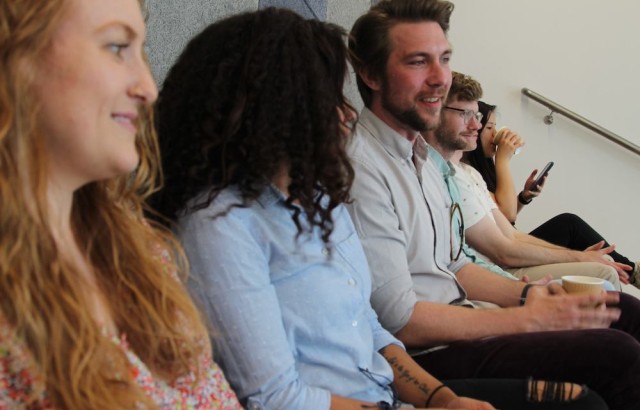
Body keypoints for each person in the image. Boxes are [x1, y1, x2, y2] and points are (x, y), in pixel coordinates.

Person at [150, 6, 608, 410]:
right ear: (266, 110)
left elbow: (369, 325)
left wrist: (442, 399)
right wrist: (521, 318)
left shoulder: (320, 199)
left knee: (587, 396)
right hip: (371, 395)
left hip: (387, 389)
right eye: (323, 98)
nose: (345, 114)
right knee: (605, 370)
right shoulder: (221, 226)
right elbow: (278, 398)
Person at [346, 0, 640, 409]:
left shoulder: (421, 159)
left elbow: (455, 263)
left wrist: (526, 298)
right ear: (370, 74)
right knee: (618, 355)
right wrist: (523, 319)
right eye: (418, 62)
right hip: (424, 358)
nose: (439, 80)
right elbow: (402, 321)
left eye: (444, 59)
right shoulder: (362, 168)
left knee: (622, 308)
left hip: (462, 318)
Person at [0, 0, 241, 408]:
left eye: (141, 52)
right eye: (116, 48)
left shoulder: (135, 247)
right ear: (17, 58)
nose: (147, 88)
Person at [438, 73, 625, 288]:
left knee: (602, 261)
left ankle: (628, 270)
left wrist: (577, 254)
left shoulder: (471, 174)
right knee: (599, 264)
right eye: (466, 115)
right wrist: (503, 159)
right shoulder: (451, 175)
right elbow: (506, 233)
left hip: (503, 259)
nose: (477, 127)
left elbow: (510, 232)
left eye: (478, 118)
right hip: (496, 268)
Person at [464, 101, 640, 286]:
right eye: (490, 127)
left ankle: (631, 271)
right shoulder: (466, 172)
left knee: (574, 230)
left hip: (508, 240)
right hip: (498, 255)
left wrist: (524, 197)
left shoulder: (477, 171)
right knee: (570, 225)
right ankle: (633, 271)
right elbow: (507, 214)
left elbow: (499, 217)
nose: (495, 134)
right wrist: (503, 159)